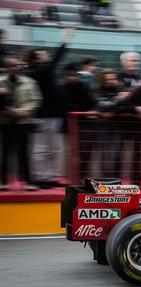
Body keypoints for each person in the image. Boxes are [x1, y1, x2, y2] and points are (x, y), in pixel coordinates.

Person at [26, 27, 74, 189]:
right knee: (41, 148)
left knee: (53, 148)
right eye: (42, 53)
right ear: (35, 59)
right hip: (42, 115)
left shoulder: (46, 71)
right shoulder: (37, 71)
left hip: (54, 115)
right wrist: (64, 40)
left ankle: (50, 176)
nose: (46, 55)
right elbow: (56, 59)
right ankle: (39, 177)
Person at [0, 56, 43, 191]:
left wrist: (22, 111)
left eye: (16, 66)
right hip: (4, 121)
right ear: (6, 68)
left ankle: (27, 181)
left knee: (24, 153)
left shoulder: (30, 82)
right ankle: (3, 182)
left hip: (23, 122)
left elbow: (36, 100)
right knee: (5, 153)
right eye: (10, 66)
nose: (13, 68)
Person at [94, 69, 132, 178]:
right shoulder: (98, 90)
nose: (111, 81)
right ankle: (106, 179)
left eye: (113, 78)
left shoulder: (122, 89)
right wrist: (118, 99)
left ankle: (116, 179)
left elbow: (127, 107)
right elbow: (101, 106)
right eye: (108, 79)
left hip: (118, 126)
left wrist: (113, 111)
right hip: (103, 126)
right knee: (105, 154)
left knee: (117, 154)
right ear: (103, 80)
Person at [62, 62, 95, 179]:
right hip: (69, 124)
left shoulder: (82, 87)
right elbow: (62, 105)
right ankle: (73, 176)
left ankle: (82, 174)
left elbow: (89, 102)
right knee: (72, 152)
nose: (73, 78)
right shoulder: (62, 88)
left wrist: (75, 108)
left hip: (84, 124)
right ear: (65, 76)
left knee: (85, 151)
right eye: (70, 75)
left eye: (75, 75)